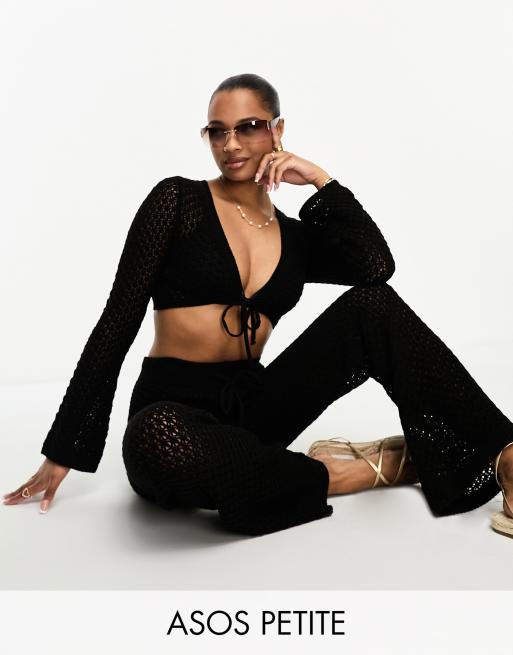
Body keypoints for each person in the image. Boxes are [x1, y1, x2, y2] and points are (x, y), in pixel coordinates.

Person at [4, 73, 513, 539]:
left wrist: (321, 179)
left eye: (248, 127)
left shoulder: (295, 238)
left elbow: (375, 267)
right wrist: (63, 448)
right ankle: (356, 472)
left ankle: (506, 455)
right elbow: (117, 319)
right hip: (172, 408)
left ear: (277, 130)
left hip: (254, 406)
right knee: (158, 440)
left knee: (374, 305)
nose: (230, 145)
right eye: (217, 132)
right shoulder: (177, 202)